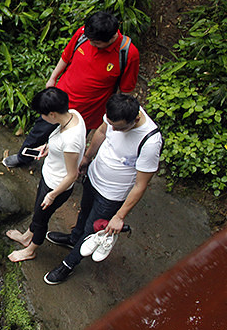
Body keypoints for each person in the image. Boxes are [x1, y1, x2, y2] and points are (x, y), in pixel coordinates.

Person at [43, 94, 162, 284]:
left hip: (112, 194)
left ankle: (68, 264)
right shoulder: (115, 116)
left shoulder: (150, 142)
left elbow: (141, 185)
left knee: (92, 229)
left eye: (119, 127)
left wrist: (119, 216)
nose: (114, 128)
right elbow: (101, 131)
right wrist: (87, 157)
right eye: (111, 123)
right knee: (84, 213)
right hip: (94, 176)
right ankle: (74, 238)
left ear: (136, 119)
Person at [3, 11, 139, 168]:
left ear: (111, 37)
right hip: (59, 98)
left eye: (96, 43)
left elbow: (125, 90)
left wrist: (115, 113)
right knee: (39, 131)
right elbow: (66, 56)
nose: (92, 44)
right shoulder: (84, 34)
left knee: (72, 142)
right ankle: (23, 157)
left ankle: (63, 169)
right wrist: (53, 78)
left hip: (88, 110)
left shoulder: (128, 54)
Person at [6, 88, 85, 262]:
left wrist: (52, 195)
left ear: (52, 114)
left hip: (56, 185)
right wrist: (48, 148)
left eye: (43, 115)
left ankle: (31, 250)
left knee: (42, 219)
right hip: (50, 177)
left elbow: (72, 174)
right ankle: (27, 236)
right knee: (37, 213)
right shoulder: (72, 114)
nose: (42, 118)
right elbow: (59, 143)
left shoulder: (71, 141)